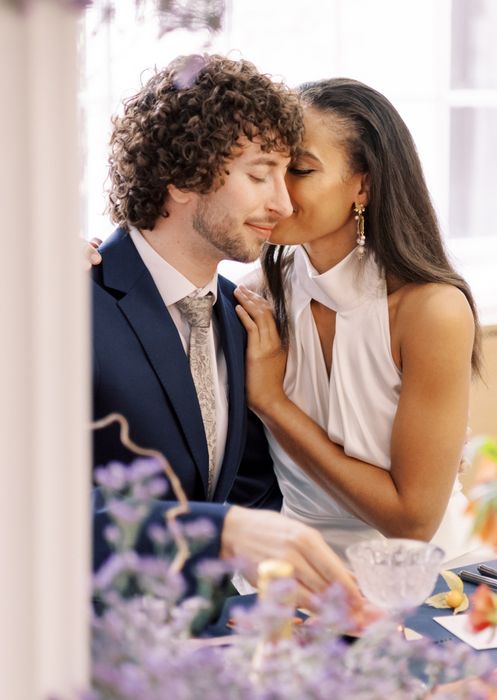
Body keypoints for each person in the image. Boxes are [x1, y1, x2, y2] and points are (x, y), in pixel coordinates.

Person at [91, 54, 364, 611]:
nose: (283, 204)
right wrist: (220, 531)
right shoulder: (62, 302)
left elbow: (245, 488)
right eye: (260, 174)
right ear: (182, 178)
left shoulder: (242, 318)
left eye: (287, 176)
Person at [234, 78, 482, 561]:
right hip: (299, 579)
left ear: (363, 183)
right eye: (270, 169)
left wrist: (273, 403)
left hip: (429, 580)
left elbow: (411, 521)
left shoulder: (431, 310)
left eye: (300, 169)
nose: (277, 194)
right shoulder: (258, 293)